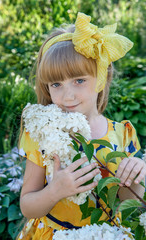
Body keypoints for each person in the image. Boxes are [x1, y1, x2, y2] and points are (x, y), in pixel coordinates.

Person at [17, 12, 146, 240]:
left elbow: (132, 203)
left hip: (108, 234)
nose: (68, 96)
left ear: (101, 77)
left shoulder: (122, 134)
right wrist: (55, 191)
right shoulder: (42, 134)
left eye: (79, 81)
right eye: (56, 84)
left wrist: (136, 174)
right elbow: (27, 206)